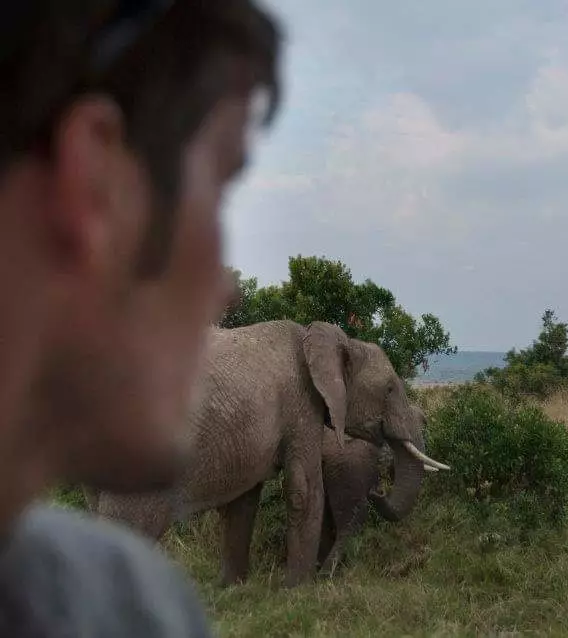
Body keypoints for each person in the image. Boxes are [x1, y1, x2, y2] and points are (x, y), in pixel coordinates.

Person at [0, 1, 283, 635]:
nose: (218, 290)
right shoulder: (124, 612)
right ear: (97, 181)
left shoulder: (130, 600)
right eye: (220, 181)